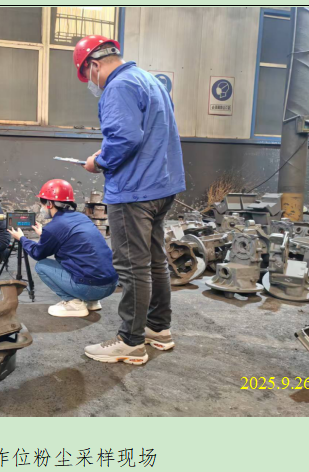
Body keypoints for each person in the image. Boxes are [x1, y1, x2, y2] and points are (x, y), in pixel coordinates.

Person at [73, 35, 186, 365]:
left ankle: (131, 342)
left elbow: (125, 137)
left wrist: (99, 161)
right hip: (161, 185)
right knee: (154, 260)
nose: (91, 82)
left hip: (133, 191)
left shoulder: (118, 86)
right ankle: (157, 329)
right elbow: (145, 133)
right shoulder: (149, 81)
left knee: (132, 266)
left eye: (87, 74)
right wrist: (108, 149)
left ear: (94, 64)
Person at [7, 179, 118, 318]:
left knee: (42, 265)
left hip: (91, 288)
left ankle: (74, 304)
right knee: (74, 256)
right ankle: (92, 302)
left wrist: (22, 238)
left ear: (49, 203)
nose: (41, 207)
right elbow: (69, 238)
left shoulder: (54, 227)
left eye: (42, 203)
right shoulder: (81, 217)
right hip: (111, 285)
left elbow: (37, 253)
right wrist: (44, 234)